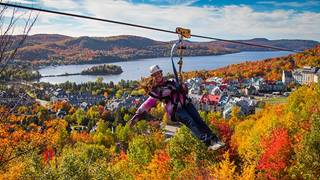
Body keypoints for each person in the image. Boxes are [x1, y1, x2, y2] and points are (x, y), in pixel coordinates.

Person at [128, 65, 225, 151]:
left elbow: (185, 91)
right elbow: (148, 102)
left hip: (185, 103)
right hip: (176, 110)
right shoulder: (156, 90)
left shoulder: (171, 82)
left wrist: (181, 86)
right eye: (155, 74)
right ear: (152, 77)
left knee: (199, 120)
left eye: (159, 73)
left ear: (161, 73)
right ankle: (208, 142)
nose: (158, 75)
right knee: (190, 121)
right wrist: (138, 114)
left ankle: (214, 140)